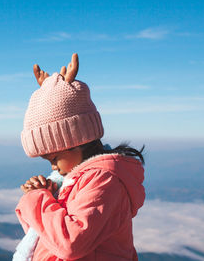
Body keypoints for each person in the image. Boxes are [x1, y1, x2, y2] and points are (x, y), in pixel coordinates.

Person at [14, 53, 145, 261]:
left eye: (54, 158)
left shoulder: (104, 181)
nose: (54, 168)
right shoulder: (72, 181)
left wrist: (37, 199)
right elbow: (46, 237)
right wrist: (46, 195)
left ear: (78, 140)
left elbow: (70, 243)